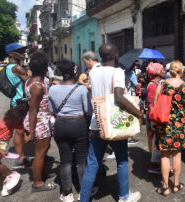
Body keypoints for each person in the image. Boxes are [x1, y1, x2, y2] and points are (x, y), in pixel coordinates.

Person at [80, 44, 144, 202]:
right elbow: (118, 97)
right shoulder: (118, 72)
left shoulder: (93, 71)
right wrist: (138, 113)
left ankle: (84, 199)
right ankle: (124, 196)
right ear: (116, 55)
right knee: (121, 161)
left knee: (92, 164)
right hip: (115, 125)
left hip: (96, 124)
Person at [48, 60, 93, 202]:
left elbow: (52, 110)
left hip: (61, 124)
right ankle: (83, 191)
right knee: (81, 160)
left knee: (65, 160)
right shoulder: (81, 89)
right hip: (79, 123)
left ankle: (67, 193)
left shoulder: (52, 89)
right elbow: (88, 110)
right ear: (74, 72)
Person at [153, 60, 185, 196]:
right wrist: (182, 106)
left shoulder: (163, 84)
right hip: (179, 125)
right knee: (177, 153)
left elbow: (155, 104)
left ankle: (164, 187)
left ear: (170, 70)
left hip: (164, 123)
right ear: (181, 70)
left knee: (164, 154)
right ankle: (176, 184)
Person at [23, 52, 56, 192]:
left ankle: (41, 173)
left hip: (40, 120)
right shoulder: (37, 86)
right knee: (40, 153)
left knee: (44, 150)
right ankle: (37, 183)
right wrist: (31, 132)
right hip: (39, 121)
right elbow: (33, 110)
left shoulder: (31, 81)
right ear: (44, 69)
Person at [5, 43, 29, 169]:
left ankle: (22, 155)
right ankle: (20, 158)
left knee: (21, 130)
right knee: (19, 131)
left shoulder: (11, 67)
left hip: (17, 102)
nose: (22, 53)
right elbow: (29, 79)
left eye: (22, 50)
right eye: (19, 51)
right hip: (20, 103)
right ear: (11, 54)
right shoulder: (16, 68)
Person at [0, 105, 27, 196]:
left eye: (14, 123)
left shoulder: (15, 122)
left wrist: (27, 136)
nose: (11, 125)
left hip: (2, 142)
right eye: (10, 123)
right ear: (7, 117)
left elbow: (21, 130)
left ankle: (11, 174)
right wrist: (0, 151)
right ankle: (6, 182)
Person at [146, 62, 165, 174]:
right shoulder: (153, 85)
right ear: (157, 72)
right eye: (162, 69)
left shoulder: (157, 83)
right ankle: (153, 166)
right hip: (153, 117)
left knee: (155, 142)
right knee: (155, 143)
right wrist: (153, 121)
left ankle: (155, 164)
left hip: (154, 116)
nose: (164, 71)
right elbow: (151, 105)